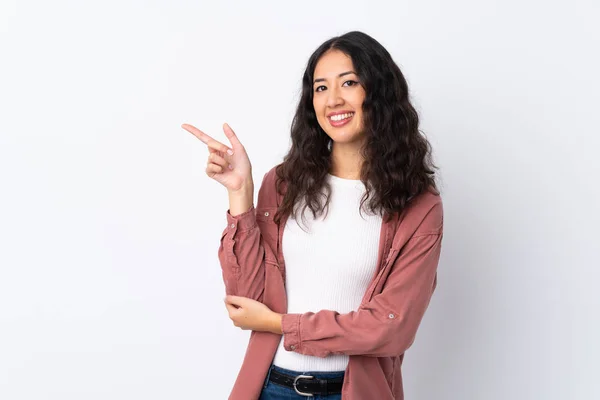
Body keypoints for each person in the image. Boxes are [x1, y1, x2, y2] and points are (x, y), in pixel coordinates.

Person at [182, 31, 443, 400]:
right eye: (320, 88)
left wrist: (280, 325)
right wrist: (240, 192)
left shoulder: (418, 205)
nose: (333, 99)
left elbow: (391, 328)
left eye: (349, 82)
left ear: (380, 93)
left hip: (353, 392)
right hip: (271, 387)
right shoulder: (285, 184)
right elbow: (246, 299)